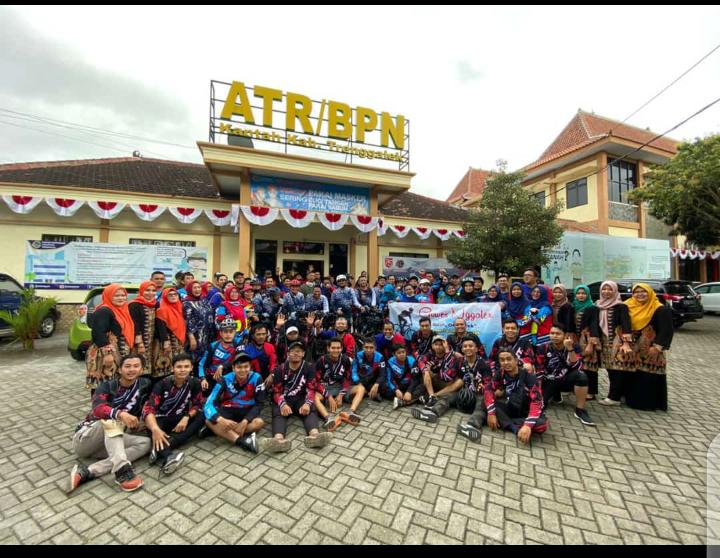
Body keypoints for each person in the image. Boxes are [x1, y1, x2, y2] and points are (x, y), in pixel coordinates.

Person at [69, 354, 151, 493]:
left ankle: (88, 472)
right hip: (86, 439)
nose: (131, 370)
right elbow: (98, 409)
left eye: (136, 366)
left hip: (111, 441)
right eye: (127, 366)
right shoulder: (106, 386)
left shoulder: (144, 385)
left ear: (142, 370)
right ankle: (122, 472)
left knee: (146, 443)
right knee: (112, 419)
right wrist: (120, 414)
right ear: (119, 370)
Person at [456, 348, 547, 444]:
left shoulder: (529, 377)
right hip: (511, 409)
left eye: (509, 359)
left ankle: (508, 424)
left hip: (527, 414)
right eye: (502, 360)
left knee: (542, 425)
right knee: (485, 402)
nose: (506, 362)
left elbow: (537, 402)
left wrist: (528, 425)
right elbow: (488, 389)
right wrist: (491, 413)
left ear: (516, 360)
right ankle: (471, 427)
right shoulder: (501, 373)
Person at [143, 353, 204, 475]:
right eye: (179, 367)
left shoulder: (194, 383)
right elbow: (148, 409)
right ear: (172, 368)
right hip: (161, 418)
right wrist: (155, 429)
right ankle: (168, 456)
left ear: (192, 368)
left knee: (202, 416)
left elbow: (198, 404)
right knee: (152, 425)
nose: (182, 370)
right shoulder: (161, 384)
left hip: (180, 418)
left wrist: (187, 417)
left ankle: (160, 448)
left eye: (186, 366)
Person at [266, 341, 332, 453]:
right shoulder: (280, 369)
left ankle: (315, 436)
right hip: (285, 398)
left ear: (303, 354)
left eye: (299, 351)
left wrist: (307, 403)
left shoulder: (309, 367)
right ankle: (278, 440)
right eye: (293, 351)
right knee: (277, 411)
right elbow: (276, 391)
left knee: (310, 410)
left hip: (300, 398)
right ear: (288, 353)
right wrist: (283, 404)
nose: (296, 353)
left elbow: (311, 388)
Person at [412, 337, 490, 423]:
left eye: (471, 346)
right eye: (465, 346)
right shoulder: (459, 361)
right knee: (448, 396)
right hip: (462, 393)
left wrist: (479, 387)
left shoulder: (484, 364)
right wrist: (434, 370)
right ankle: (432, 413)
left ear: (476, 349)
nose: (468, 348)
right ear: (462, 349)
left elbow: (488, 385)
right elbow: (447, 377)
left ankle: (473, 424)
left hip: (477, 394)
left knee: (482, 403)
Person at [623, 283, 674, 411]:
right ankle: (632, 400)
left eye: (643, 291)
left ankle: (650, 404)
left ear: (650, 292)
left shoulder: (659, 309)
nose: (640, 294)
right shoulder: (629, 306)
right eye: (636, 292)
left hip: (652, 349)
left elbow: (666, 330)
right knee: (635, 374)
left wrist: (657, 347)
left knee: (649, 375)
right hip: (635, 349)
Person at [203, 352, 265, 453]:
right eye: (239, 367)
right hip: (229, 407)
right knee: (208, 421)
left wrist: (245, 421)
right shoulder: (224, 379)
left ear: (250, 368)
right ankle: (243, 441)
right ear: (233, 368)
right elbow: (209, 403)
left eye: (246, 367)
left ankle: (219, 431)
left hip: (247, 409)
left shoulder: (257, 378)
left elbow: (260, 403)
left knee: (259, 423)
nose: (243, 370)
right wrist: (221, 419)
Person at [535, 323, 595, 426]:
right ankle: (555, 395)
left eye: (558, 334)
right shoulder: (543, 347)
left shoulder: (574, 347)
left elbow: (577, 366)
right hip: (549, 380)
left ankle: (580, 410)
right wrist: (538, 391)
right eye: (552, 333)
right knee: (541, 404)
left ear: (565, 335)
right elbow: (539, 370)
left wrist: (570, 349)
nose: (554, 336)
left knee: (581, 376)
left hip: (565, 379)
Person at [85, 284, 135, 395]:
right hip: (103, 354)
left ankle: (111, 408)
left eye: (123, 295)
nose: (121, 298)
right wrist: (108, 354)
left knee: (114, 383)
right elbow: (98, 333)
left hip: (116, 352)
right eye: (116, 295)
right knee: (102, 383)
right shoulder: (104, 311)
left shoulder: (122, 310)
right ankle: (99, 409)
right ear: (108, 296)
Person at [593, 281, 634, 406]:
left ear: (615, 291)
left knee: (618, 369)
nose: (606, 292)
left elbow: (626, 325)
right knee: (610, 369)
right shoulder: (598, 305)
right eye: (604, 289)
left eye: (609, 289)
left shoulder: (621, 306)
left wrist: (626, 343)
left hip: (617, 342)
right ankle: (617, 394)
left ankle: (614, 397)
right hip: (604, 343)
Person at [411, 336, 463, 421]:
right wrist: (426, 369)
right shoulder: (430, 354)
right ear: (432, 346)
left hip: (448, 386)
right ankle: (430, 397)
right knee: (426, 373)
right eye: (436, 344)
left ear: (445, 345)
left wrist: (448, 352)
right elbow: (420, 361)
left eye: (441, 344)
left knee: (458, 384)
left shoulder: (452, 355)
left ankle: (432, 409)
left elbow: (451, 373)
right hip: (435, 383)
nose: (438, 347)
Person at [314, 338, 361, 430]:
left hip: (339, 387)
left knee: (361, 388)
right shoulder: (321, 360)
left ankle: (351, 412)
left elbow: (347, 379)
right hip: (325, 387)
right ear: (328, 349)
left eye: (338, 348)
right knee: (314, 396)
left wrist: (341, 395)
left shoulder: (345, 359)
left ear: (342, 348)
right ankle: (328, 418)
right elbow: (316, 382)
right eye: (333, 348)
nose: (336, 350)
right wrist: (328, 396)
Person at [198, 318, 240, 394]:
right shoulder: (213, 346)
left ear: (235, 333)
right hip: (211, 377)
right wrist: (203, 379)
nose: (228, 334)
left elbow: (239, 362)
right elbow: (201, 364)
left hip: (229, 378)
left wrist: (222, 366)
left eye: (231, 332)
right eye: (225, 332)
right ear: (220, 333)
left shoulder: (238, 346)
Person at [573, 284, 600, 401]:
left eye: (583, 293)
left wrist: (591, 343)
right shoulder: (573, 306)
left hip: (587, 339)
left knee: (590, 366)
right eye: (578, 293)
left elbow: (594, 324)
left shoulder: (592, 307)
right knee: (578, 364)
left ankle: (591, 391)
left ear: (588, 295)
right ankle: (578, 388)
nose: (581, 296)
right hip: (576, 339)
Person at [154, 287, 187, 379]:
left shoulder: (179, 307)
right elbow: (161, 327)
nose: (173, 296)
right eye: (170, 295)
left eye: (175, 294)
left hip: (178, 341)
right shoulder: (162, 309)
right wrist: (165, 342)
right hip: (168, 341)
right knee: (166, 367)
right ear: (165, 296)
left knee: (178, 365)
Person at [128, 281, 158, 377]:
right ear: (141, 291)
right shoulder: (134, 305)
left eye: (153, 290)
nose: (151, 293)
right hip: (139, 341)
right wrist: (140, 343)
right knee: (138, 362)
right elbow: (134, 324)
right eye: (147, 290)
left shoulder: (155, 304)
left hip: (151, 340)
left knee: (149, 366)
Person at [183, 281, 216, 366]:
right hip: (196, 336)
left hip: (208, 334)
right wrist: (191, 337)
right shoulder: (187, 303)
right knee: (195, 359)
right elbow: (187, 321)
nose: (197, 290)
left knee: (206, 357)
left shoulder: (204, 300)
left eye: (199, 287)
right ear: (190, 289)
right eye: (194, 288)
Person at [384, 344, 423, 409]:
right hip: (398, 385)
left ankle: (403, 401)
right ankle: (411, 399)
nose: (402, 354)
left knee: (422, 387)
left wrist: (409, 391)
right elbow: (389, 378)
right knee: (384, 387)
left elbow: (415, 379)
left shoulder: (412, 361)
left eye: (403, 352)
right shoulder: (390, 362)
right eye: (399, 353)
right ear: (394, 354)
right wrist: (396, 389)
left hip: (409, 385)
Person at [352, 338, 386, 402]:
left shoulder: (380, 357)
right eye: (366, 347)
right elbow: (354, 371)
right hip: (361, 380)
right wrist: (358, 383)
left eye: (371, 347)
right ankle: (368, 393)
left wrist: (376, 384)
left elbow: (383, 374)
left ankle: (367, 393)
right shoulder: (358, 355)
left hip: (372, 380)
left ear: (375, 348)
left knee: (384, 387)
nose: (368, 350)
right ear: (363, 347)